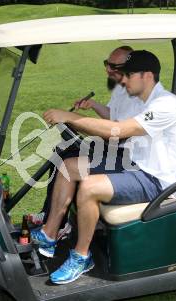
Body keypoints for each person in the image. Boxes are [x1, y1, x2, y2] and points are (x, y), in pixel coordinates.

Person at [32, 50, 176, 284]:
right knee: (69, 167)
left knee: (89, 188)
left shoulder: (166, 104)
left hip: (157, 180)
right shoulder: (145, 100)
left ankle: (82, 256)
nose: (122, 80)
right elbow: (115, 122)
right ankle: (49, 235)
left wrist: (70, 117)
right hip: (134, 166)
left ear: (147, 75)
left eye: (128, 75)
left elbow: (119, 131)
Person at [27, 46, 144, 228]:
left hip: (127, 156)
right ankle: (49, 215)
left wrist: (73, 118)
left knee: (70, 163)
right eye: (107, 64)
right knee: (64, 151)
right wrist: (94, 105)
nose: (108, 70)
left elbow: (116, 131)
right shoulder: (121, 89)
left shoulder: (139, 94)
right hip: (115, 147)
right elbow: (113, 116)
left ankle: (59, 226)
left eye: (114, 66)